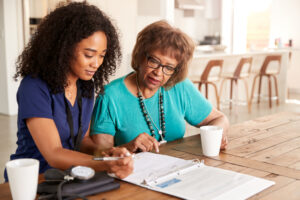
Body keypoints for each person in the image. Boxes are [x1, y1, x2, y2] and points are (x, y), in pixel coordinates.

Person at [4, 2, 133, 182]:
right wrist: (104, 164)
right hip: (33, 181)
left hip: (69, 177)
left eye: (102, 55)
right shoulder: (34, 87)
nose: (96, 63)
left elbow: (83, 141)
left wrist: (109, 155)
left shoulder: (86, 85)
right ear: (63, 49)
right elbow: (54, 154)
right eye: (89, 55)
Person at [90, 20, 229, 153]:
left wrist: (216, 135)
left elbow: (219, 119)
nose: (158, 72)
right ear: (140, 56)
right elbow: (100, 154)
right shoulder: (110, 96)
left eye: (168, 67)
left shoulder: (179, 86)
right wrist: (128, 147)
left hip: (178, 168)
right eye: (154, 61)